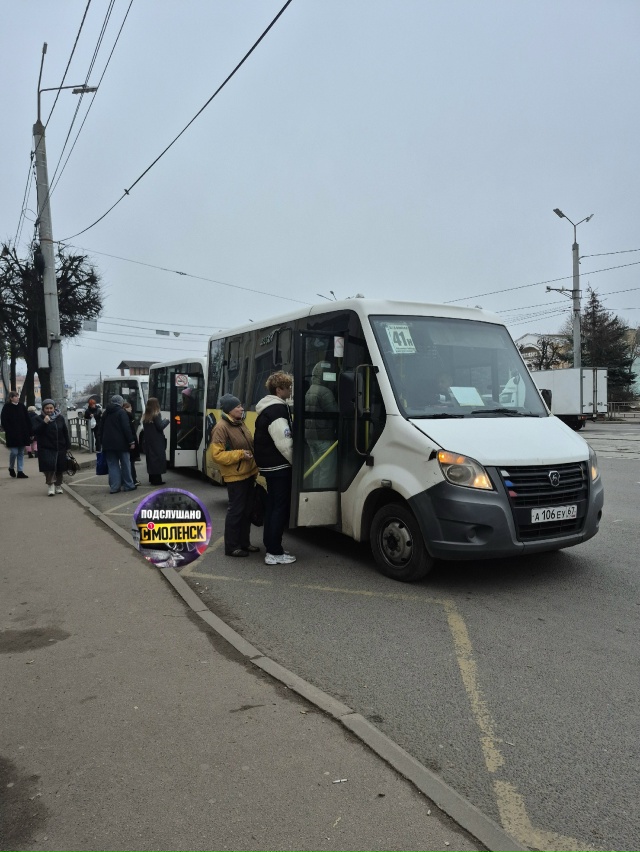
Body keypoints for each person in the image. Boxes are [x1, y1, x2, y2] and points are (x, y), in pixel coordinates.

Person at [209, 394, 260, 557]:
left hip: (249, 474)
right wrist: (239, 455)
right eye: (238, 406)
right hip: (235, 476)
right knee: (236, 511)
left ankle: (245, 543)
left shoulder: (240, 423)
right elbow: (217, 455)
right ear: (229, 410)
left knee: (247, 511)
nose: (241, 408)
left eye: (241, 406)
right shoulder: (221, 427)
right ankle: (232, 547)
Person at [254, 372, 296, 565]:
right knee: (279, 508)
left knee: (272, 507)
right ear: (279, 390)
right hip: (279, 466)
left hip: (269, 466)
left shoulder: (267, 407)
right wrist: (296, 463)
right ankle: (274, 552)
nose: (289, 391)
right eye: (288, 388)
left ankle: (271, 545)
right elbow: (285, 442)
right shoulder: (278, 410)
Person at [304, 362, 338, 488]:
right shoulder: (325, 392)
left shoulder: (309, 391)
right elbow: (335, 412)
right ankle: (323, 494)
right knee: (327, 471)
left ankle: (316, 493)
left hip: (311, 437)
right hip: (324, 436)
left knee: (317, 468)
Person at [96, 394, 136, 493]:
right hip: (122, 444)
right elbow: (126, 428)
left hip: (108, 444)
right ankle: (128, 485)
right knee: (125, 465)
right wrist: (131, 441)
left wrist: (101, 442)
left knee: (112, 465)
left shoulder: (105, 413)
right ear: (120, 402)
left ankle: (114, 487)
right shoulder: (122, 412)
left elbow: (100, 428)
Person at [33, 399, 71, 495]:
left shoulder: (60, 418)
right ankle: (51, 485)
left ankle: (58, 485)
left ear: (54, 408)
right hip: (46, 448)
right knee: (49, 468)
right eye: (47, 408)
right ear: (43, 408)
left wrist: (68, 446)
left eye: (51, 408)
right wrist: (44, 423)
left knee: (60, 468)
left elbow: (65, 432)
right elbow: (36, 431)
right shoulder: (38, 418)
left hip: (60, 447)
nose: (49, 410)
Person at [1, 391, 32, 479]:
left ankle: (20, 471)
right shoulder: (7, 407)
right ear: (11, 398)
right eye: (15, 396)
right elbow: (3, 420)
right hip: (12, 434)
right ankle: (11, 468)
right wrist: (8, 430)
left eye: (18, 396)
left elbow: (27, 419)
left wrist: (30, 432)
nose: (17, 398)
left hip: (23, 433)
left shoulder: (22, 406)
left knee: (21, 452)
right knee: (14, 452)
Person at [142, 397, 169, 486]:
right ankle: (157, 480)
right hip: (157, 440)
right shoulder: (156, 414)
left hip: (149, 441)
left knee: (151, 459)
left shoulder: (146, 415)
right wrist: (166, 420)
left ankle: (152, 478)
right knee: (158, 459)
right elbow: (160, 426)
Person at [123, 400, 141, 485]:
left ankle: (129, 480)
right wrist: (132, 442)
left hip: (127, 442)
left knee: (128, 462)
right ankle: (133, 480)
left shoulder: (125, 416)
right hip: (130, 442)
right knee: (130, 462)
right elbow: (129, 431)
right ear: (126, 408)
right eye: (130, 407)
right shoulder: (128, 417)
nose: (131, 409)